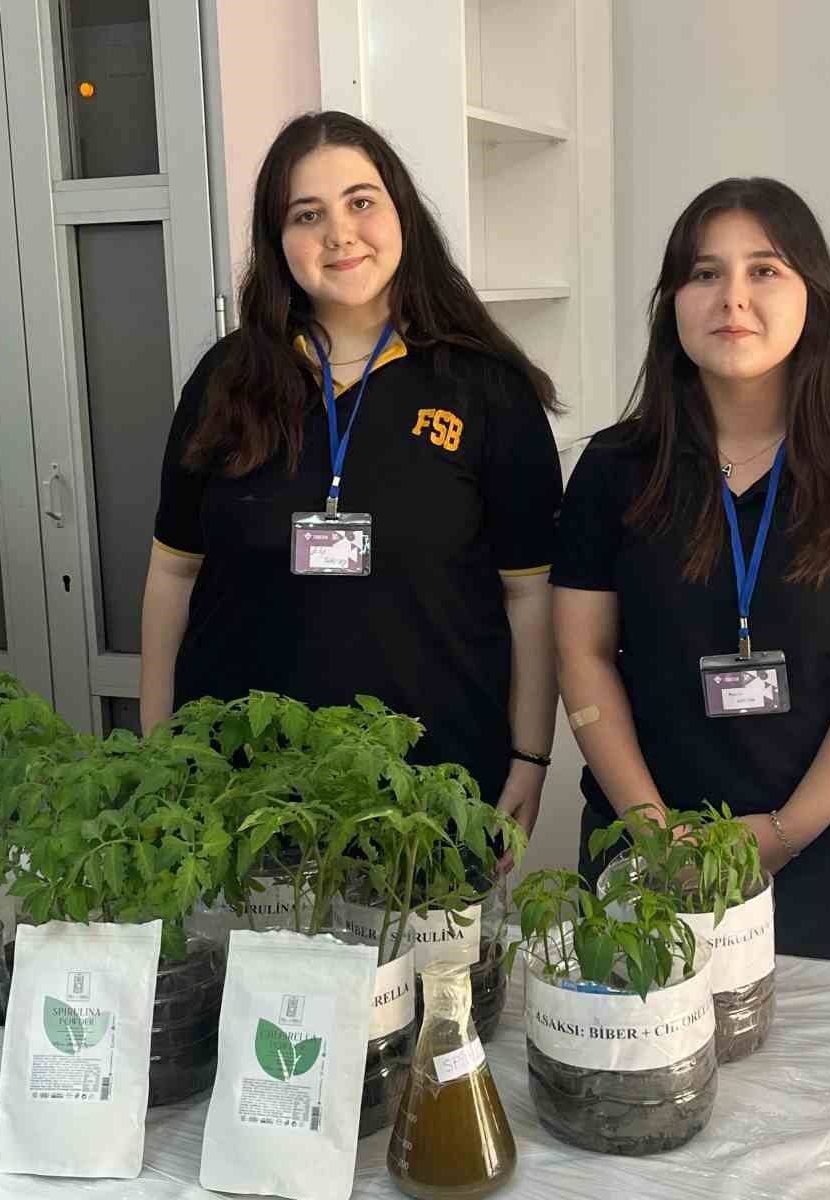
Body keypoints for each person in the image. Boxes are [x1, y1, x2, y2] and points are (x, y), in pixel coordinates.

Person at [139, 111, 563, 855]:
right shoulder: (227, 379)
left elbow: (530, 592)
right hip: (241, 790)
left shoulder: (485, 388)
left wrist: (530, 755)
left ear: (403, 213)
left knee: (428, 974)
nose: (339, 234)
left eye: (361, 203)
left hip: (432, 784)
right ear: (278, 241)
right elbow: (174, 569)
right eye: (308, 215)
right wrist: (158, 746)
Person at [552, 178, 830, 959]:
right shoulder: (613, 468)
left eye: (764, 270)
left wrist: (781, 835)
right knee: (634, 1063)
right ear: (673, 302)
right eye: (704, 273)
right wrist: (652, 831)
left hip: (824, 849)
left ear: (813, 298)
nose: (733, 297)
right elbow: (582, 654)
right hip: (643, 845)